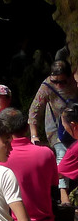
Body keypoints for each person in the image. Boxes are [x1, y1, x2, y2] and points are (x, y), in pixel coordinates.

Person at [28, 60, 78, 206]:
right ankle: (64, 195)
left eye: (61, 81)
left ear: (69, 77)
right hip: (57, 127)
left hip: (74, 122)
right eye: (54, 81)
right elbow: (34, 110)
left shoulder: (74, 82)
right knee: (62, 154)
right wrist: (34, 134)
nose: (58, 85)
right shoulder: (47, 86)